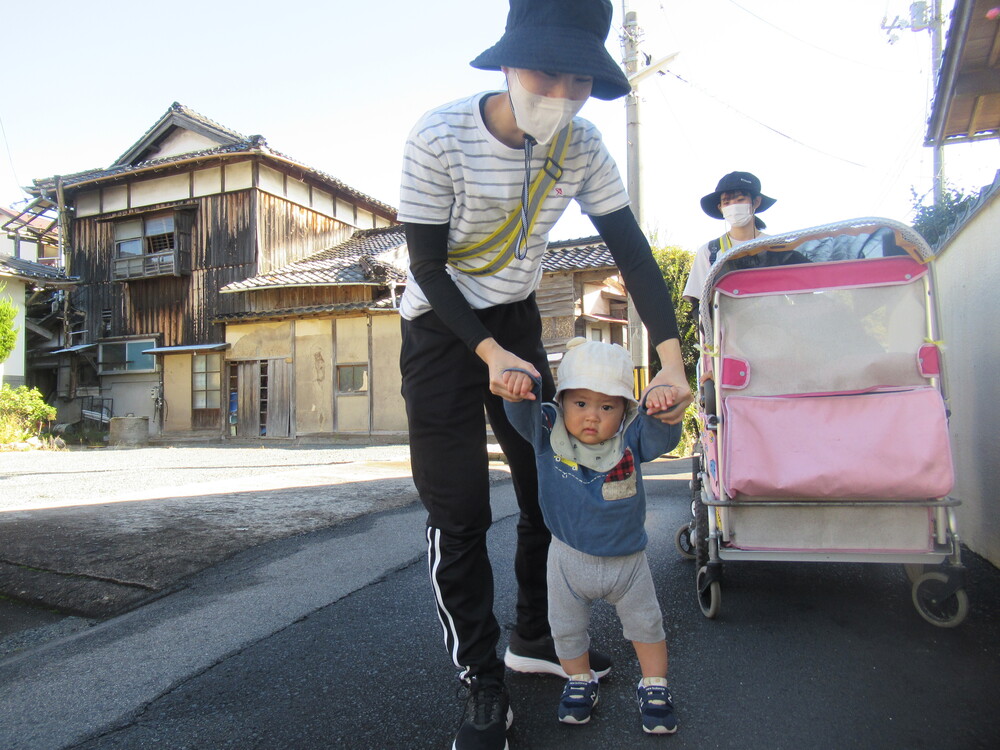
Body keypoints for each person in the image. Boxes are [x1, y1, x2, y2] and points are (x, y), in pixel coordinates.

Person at [397, 2, 692, 748]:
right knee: (459, 512)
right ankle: (480, 681)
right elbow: (428, 267)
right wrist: (487, 354)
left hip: (519, 323)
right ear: (506, 61)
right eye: (544, 72)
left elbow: (632, 254)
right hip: (440, 330)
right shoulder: (438, 135)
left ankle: (533, 638)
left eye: (579, 78)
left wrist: (671, 357)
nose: (561, 93)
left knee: (545, 492)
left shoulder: (585, 145)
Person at [502, 337, 682, 734]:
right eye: (580, 403)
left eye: (607, 406)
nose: (591, 416)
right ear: (562, 401)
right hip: (567, 559)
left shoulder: (630, 439)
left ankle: (655, 684)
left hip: (628, 563)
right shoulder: (546, 429)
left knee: (647, 626)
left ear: (625, 411)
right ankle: (579, 679)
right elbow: (518, 412)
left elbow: (664, 437)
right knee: (565, 631)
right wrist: (515, 388)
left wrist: (664, 408)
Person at [682, 171, 776, 306]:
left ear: (756, 202)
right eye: (727, 202)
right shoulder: (710, 252)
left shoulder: (777, 247)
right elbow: (697, 301)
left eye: (740, 200)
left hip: (774, 325)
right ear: (720, 208)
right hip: (728, 327)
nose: (733, 206)